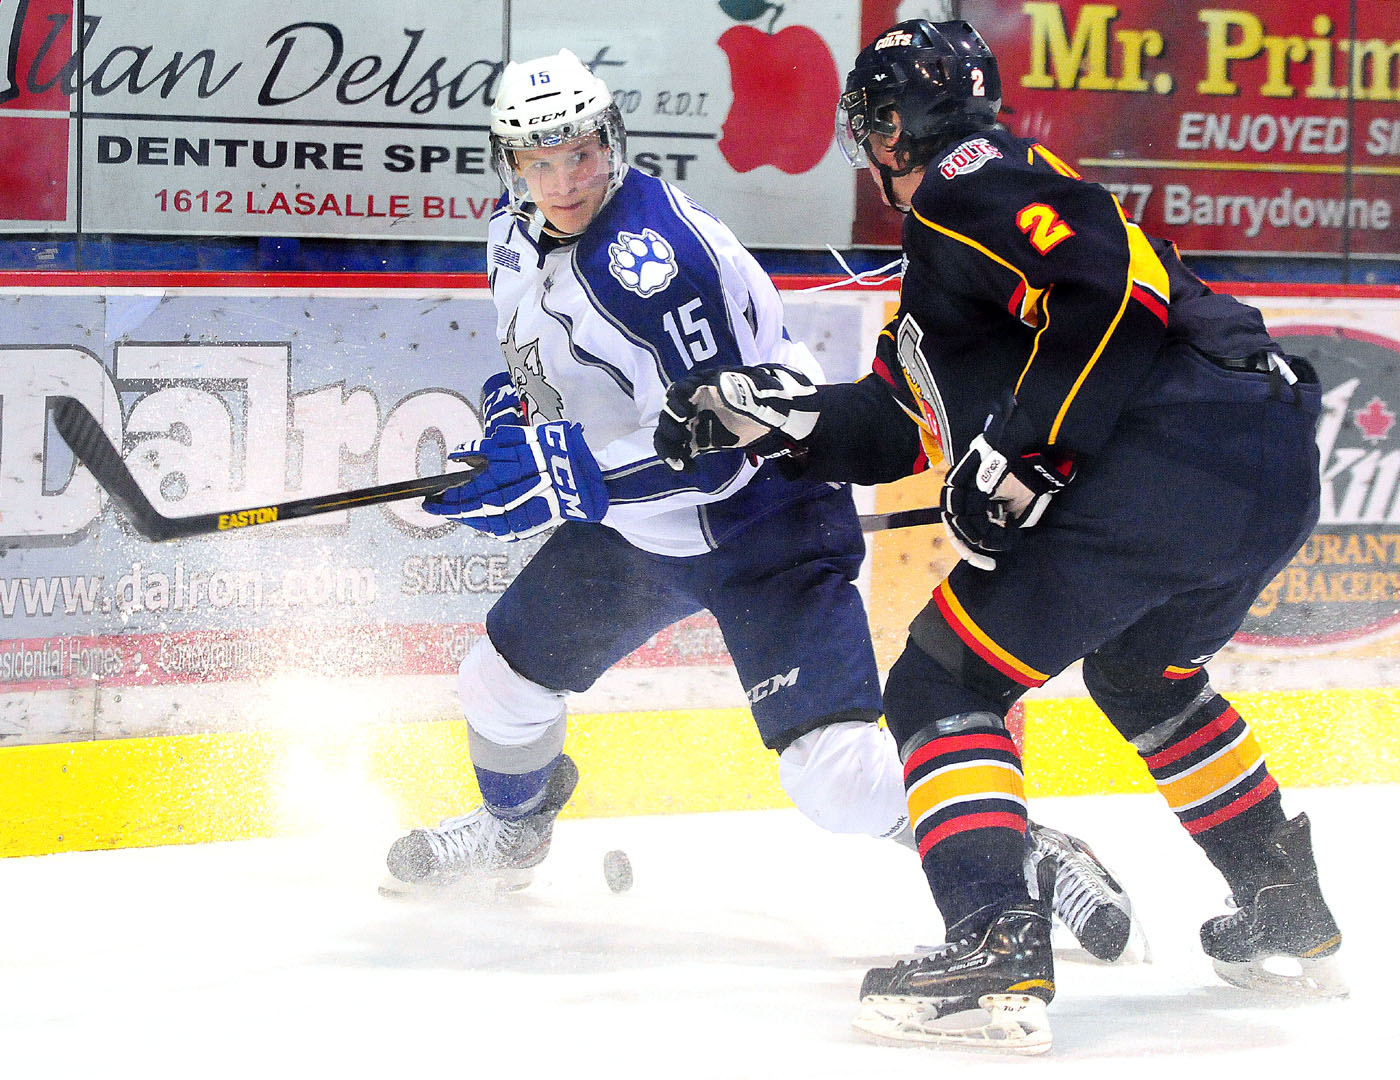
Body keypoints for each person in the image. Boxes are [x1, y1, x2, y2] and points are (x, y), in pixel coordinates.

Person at [654, 18, 1344, 1054]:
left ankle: (991, 943)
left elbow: (1114, 290)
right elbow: (899, 424)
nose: (867, 147)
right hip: (1265, 461)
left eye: (871, 125)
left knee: (941, 683)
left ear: (893, 127)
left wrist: (1032, 453)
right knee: (1144, 678)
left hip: (1172, 456)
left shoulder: (966, 183)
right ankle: (1283, 906)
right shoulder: (959, 250)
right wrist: (771, 415)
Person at [382, 46, 1137, 965]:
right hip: (635, 527)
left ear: (611, 140)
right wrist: (516, 425)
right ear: (508, 165)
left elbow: (721, 452)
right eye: (540, 163)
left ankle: (1026, 850)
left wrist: (565, 477)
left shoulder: (658, 263)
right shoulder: (511, 233)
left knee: (834, 781)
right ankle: (515, 834)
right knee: (497, 683)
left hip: (765, 521)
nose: (565, 180)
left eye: (581, 153)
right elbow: (536, 364)